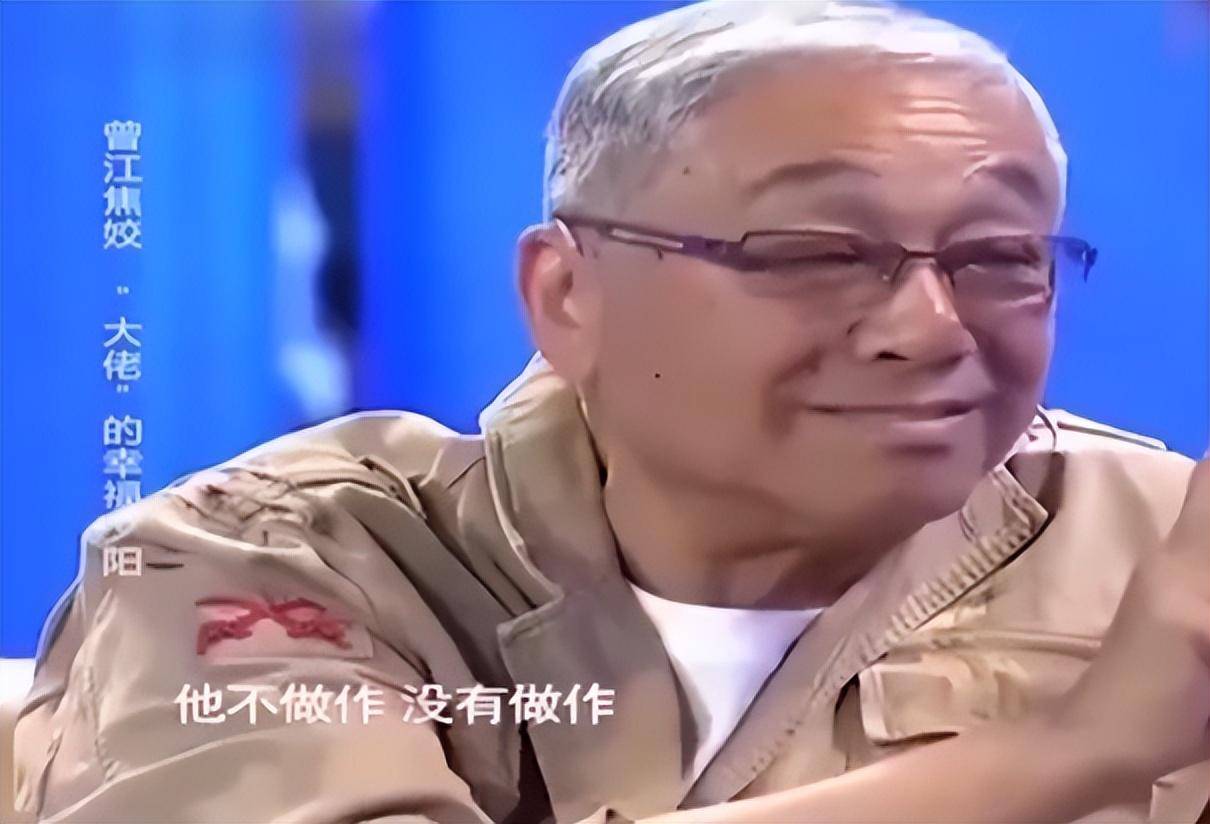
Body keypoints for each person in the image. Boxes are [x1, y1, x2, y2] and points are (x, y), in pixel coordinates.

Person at [11, 1, 1210, 822]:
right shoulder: (286, 563)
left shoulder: (1156, 555)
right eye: (815, 251)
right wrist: (1069, 753)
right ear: (566, 294)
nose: (931, 326)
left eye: (998, 256)